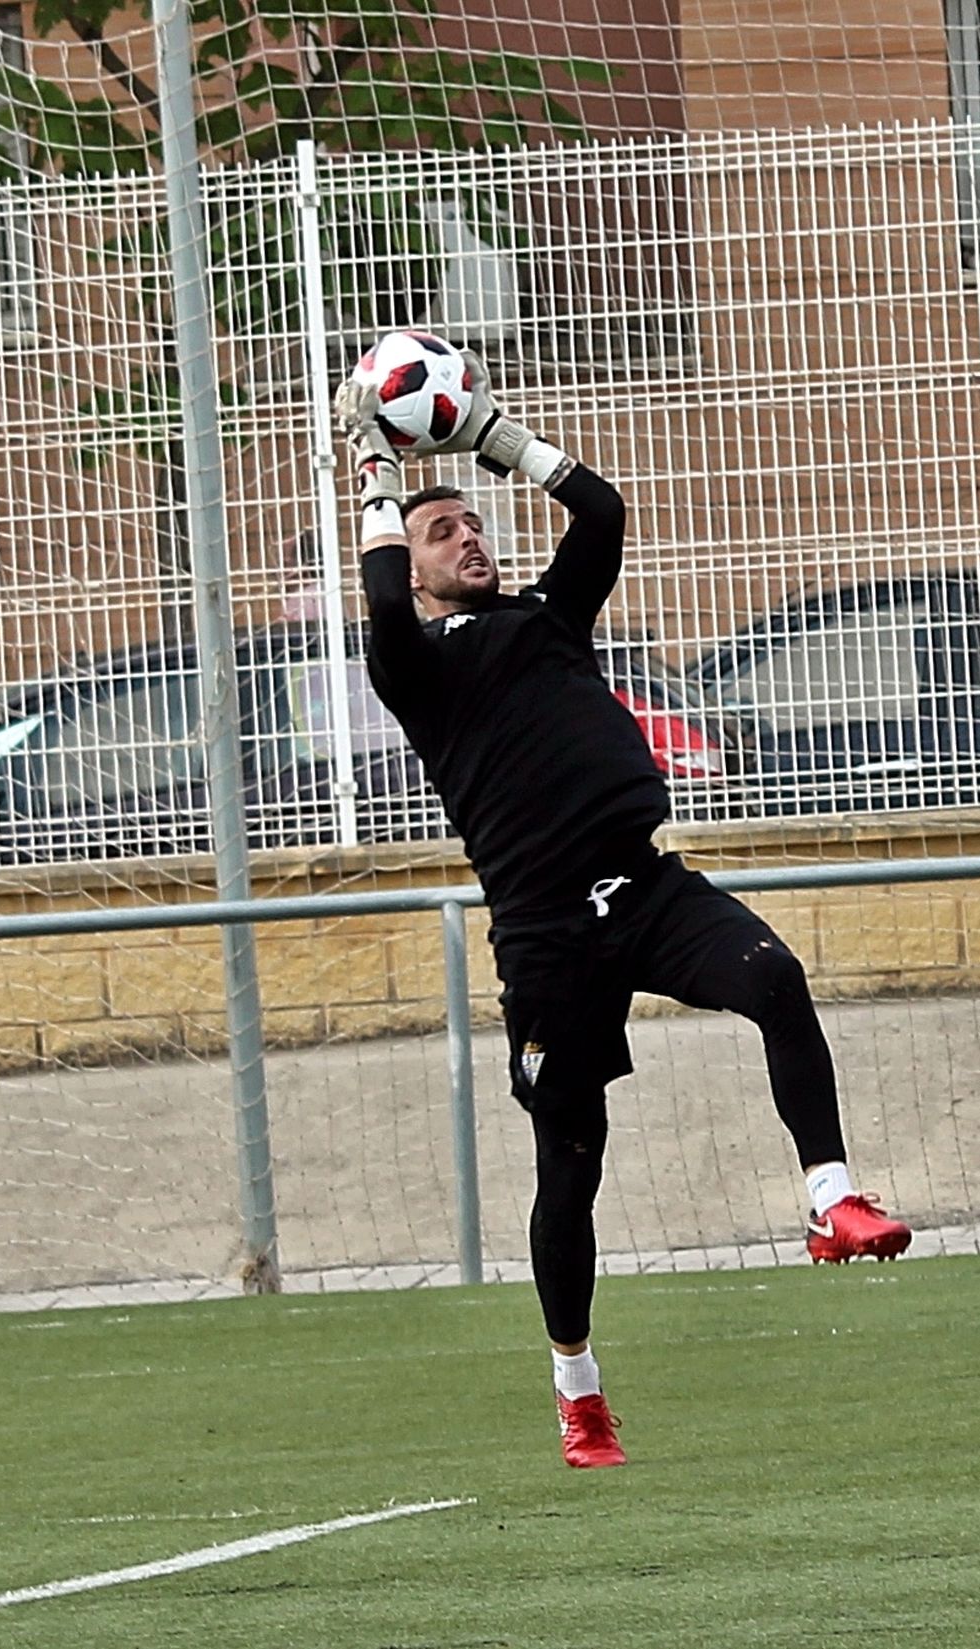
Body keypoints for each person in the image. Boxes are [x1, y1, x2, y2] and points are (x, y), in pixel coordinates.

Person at [335, 355, 912, 1470]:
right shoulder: (413, 663)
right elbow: (383, 597)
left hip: (643, 887)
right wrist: (378, 469)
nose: (470, 538)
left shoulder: (548, 617)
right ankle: (578, 1388)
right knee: (572, 1160)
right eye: (444, 532)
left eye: (473, 523)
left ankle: (830, 1197)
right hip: (548, 934)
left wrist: (491, 434)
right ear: (415, 564)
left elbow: (599, 511)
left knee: (773, 976)